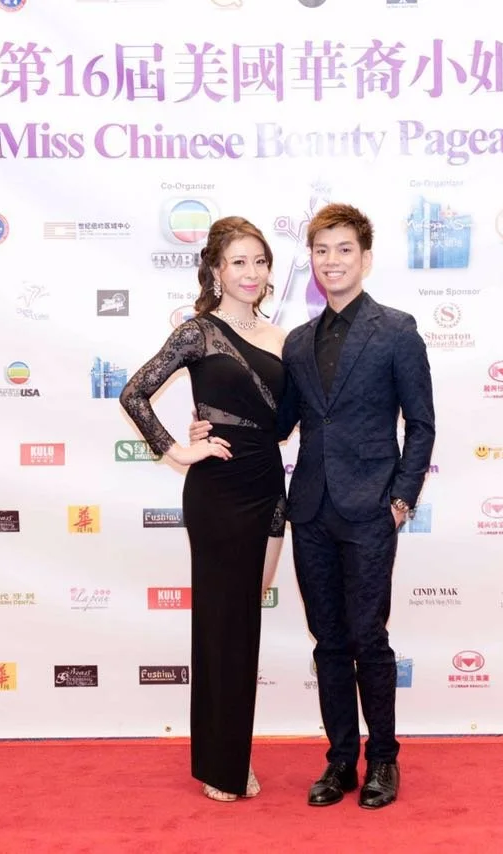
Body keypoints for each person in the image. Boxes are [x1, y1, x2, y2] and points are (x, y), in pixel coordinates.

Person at [191, 203, 435, 809]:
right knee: (327, 641)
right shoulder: (298, 342)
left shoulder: (396, 330)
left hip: (372, 509)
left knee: (368, 638)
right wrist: (209, 424)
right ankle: (340, 761)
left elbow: (421, 424)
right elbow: (276, 425)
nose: (332, 261)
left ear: (365, 258)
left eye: (344, 249)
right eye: (322, 251)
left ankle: (383, 760)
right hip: (311, 511)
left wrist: (401, 499)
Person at [119, 216, 287, 803]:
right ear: (216, 270)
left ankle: (234, 751)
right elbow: (134, 393)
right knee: (220, 624)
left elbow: (284, 422)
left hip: (268, 486)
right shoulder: (198, 333)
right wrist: (179, 449)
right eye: (238, 261)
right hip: (218, 491)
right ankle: (221, 765)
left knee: (246, 622)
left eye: (259, 261)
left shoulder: (282, 339)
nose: (251, 272)